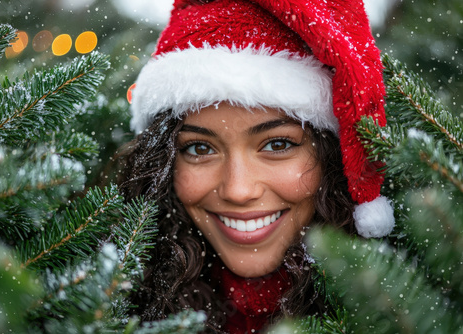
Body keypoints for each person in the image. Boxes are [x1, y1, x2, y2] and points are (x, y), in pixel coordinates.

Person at [119, 0, 395, 332]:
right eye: (199, 148)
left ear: (333, 157)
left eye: (277, 145)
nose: (238, 190)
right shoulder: (111, 302)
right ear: (164, 163)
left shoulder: (401, 310)